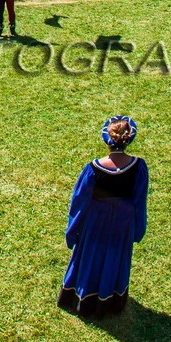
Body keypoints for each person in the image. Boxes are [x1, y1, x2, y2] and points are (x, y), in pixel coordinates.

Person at [58, 117, 148, 319]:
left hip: (95, 223)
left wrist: (72, 231)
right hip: (122, 224)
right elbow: (139, 202)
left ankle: (84, 297)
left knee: (91, 257)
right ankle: (110, 299)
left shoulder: (92, 169)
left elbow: (79, 203)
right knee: (114, 259)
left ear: (107, 140)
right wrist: (137, 229)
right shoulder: (139, 167)